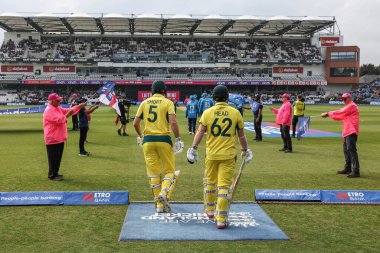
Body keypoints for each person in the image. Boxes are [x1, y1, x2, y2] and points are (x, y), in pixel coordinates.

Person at [186, 85, 253, 229]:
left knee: (210, 184)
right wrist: (245, 150)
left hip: (211, 154)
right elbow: (241, 135)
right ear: (227, 97)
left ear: (214, 97)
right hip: (228, 155)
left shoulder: (207, 112)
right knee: (223, 187)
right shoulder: (235, 113)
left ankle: (210, 210)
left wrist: (193, 147)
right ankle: (221, 219)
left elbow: (199, 132)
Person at [133, 81, 184, 213]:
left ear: (152, 91)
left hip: (148, 141)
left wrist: (141, 135)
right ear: (164, 91)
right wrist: (178, 138)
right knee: (169, 171)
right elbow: (173, 121)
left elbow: (135, 123)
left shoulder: (144, 103)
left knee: (153, 173)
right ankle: (164, 193)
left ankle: (159, 206)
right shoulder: (168, 102)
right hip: (164, 139)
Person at [43, 93, 85, 180]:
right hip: (53, 138)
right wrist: (69, 114)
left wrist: (79, 106)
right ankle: (52, 175)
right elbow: (59, 120)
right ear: (52, 101)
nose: (59, 101)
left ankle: (55, 173)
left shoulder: (56, 107)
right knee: (53, 158)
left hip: (58, 137)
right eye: (58, 100)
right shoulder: (49, 111)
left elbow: (67, 110)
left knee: (57, 158)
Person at [321, 93, 360, 178]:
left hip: (351, 130)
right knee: (346, 150)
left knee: (351, 150)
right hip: (347, 131)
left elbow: (341, 112)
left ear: (350, 98)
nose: (343, 100)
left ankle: (356, 170)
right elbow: (339, 116)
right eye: (342, 99)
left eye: (345, 99)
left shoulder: (352, 105)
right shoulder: (349, 107)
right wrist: (329, 116)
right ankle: (348, 168)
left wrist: (328, 113)